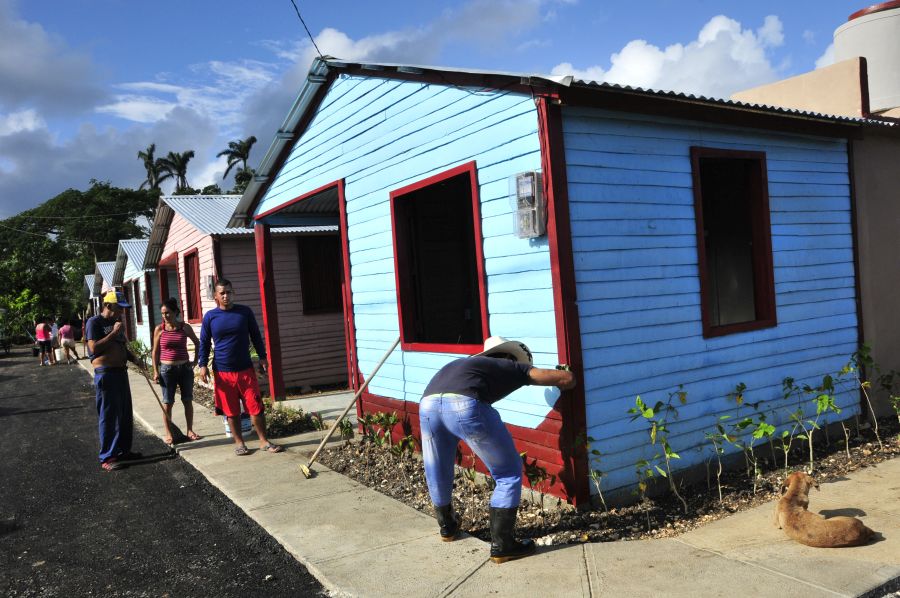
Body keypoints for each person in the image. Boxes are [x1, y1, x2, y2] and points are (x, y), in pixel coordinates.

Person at [419, 336, 575, 564]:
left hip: (428, 405)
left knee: (437, 468)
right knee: (508, 473)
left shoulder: (462, 364)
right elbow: (545, 376)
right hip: (464, 404)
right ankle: (503, 545)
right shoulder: (505, 364)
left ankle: (448, 527)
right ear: (508, 356)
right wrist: (567, 377)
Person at [198, 279, 283, 456]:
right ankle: (240, 444)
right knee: (231, 411)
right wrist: (202, 365)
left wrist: (263, 357)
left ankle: (263, 441)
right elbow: (204, 343)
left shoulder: (244, 312)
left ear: (233, 293)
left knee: (255, 406)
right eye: (222, 293)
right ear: (216, 296)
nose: (226, 295)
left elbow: (256, 336)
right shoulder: (210, 317)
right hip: (222, 371)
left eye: (228, 292)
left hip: (245, 370)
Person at [86, 290, 141, 471]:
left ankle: (123, 450)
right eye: (119, 308)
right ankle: (108, 457)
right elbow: (94, 348)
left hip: (121, 373)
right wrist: (113, 333)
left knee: (125, 414)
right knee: (109, 416)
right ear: (108, 306)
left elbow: (121, 347)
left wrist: (135, 359)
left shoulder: (117, 324)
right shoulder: (95, 322)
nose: (122, 312)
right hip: (106, 374)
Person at [151, 298, 202, 444]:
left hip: (185, 369)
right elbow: (155, 351)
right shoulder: (159, 329)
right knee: (168, 402)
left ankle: (190, 430)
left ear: (175, 312)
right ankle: (169, 434)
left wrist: (196, 361)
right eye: (163, 313)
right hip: (167, 370)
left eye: (168, 313)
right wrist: (155, 371)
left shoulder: (184, 327)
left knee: (187, 400)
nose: (165, 316)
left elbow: (197, 343)